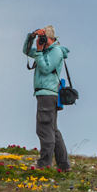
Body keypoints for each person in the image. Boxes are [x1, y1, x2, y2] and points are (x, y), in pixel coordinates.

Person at [22, 25, 70, 171]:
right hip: (45, 94)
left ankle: (44, 165)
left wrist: (39, 51)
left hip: (47, 94)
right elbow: (26, 51)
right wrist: (31, 36)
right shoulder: (46, 50)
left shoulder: (55, 51)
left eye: (43, 37)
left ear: (50, 38)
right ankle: (63, 164)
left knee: (44, 129)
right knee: (53, 129)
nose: (41, 40)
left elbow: (45, 69)